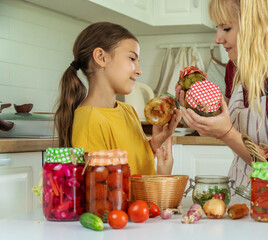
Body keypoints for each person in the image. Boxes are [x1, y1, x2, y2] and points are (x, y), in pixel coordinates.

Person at [176, 0, 268, 194]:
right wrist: (198, 110)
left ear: (256, 25)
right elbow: (220, 121)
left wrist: (226, 133)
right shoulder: (236, 67)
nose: (217, 38)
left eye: (226, 28)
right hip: (237, 192)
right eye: (217, 27)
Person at [54, 22, 181, 175]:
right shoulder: (90, 120)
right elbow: (103, 191)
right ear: (101, 57)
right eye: (132, 58)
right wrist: (162, 179)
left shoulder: (128, 111)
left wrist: (154, 145)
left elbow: (136, 165)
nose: (139, 71)